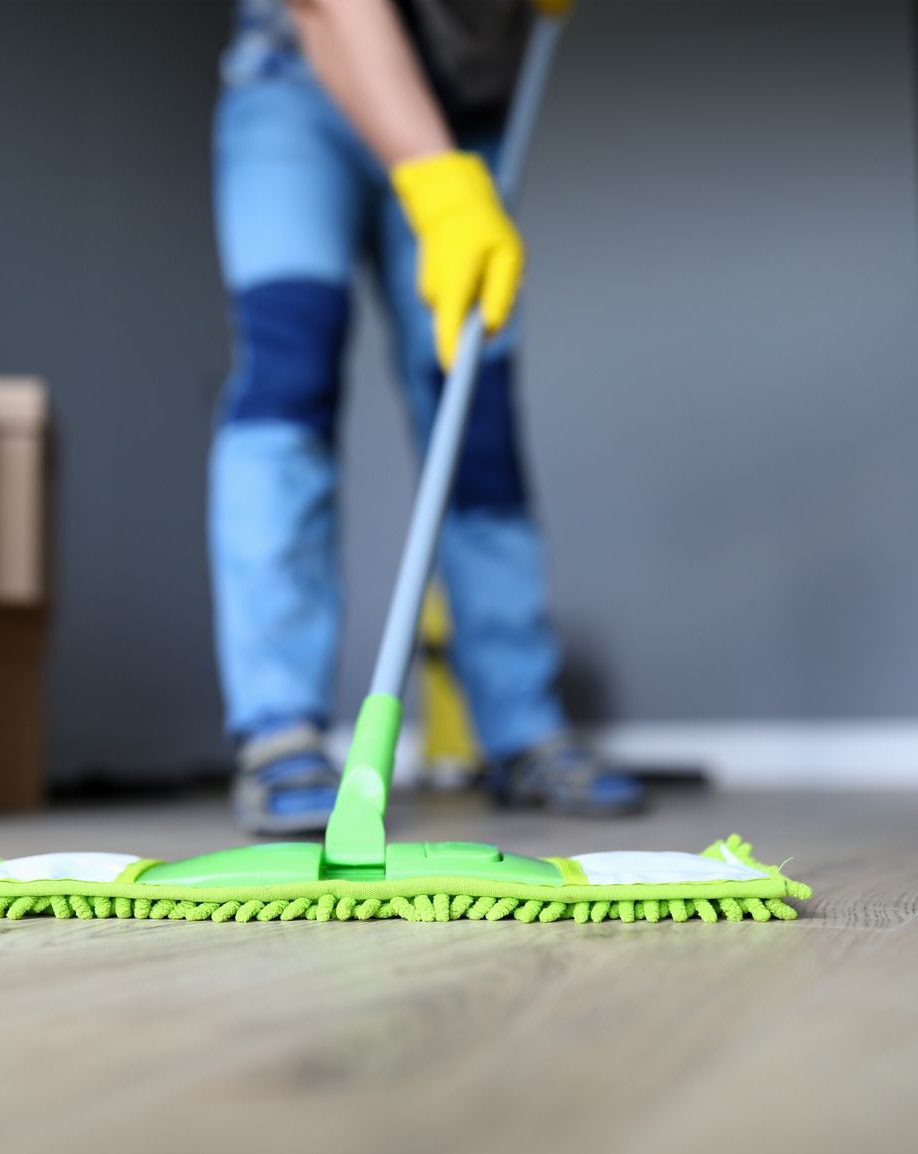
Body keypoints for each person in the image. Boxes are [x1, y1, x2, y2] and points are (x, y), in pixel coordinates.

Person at [211, 0, 646, 833]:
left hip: (466, 113)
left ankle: (522, 730)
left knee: (475, 417)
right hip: (298, 81)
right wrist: (436, 184)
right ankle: (279, 731)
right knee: (287, 385)